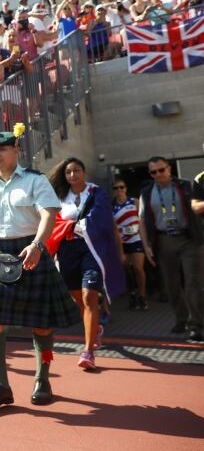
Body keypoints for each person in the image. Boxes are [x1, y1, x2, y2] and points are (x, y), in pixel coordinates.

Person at [0, 127, 79, 410]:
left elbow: (48, 214)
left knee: (41, 323)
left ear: (16, 151)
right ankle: (1, 386)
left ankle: (43, 379)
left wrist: (38, 246)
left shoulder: (34, 181)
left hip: (31, 250)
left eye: (2, 149)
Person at [46, 158, 124, 370]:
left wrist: (76, 225)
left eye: (77, 170)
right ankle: (95, 327)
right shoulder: (59, 197)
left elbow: (102, 217)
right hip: (67, 251)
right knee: (78, 298)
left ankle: (88, 351)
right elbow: (53, 221)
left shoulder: (96, 192)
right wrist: (69, 226)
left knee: (90, 295)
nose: (73, 175)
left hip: (92, 248)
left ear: (84, 171)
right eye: (69, 172)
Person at [138, 157, 204, 343]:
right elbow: (141, 221)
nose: (158, 175)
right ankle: (181, 319)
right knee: (171, 285)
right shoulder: (146, 192)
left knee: (193, 283)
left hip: (189, 239)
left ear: (169, 169)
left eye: (161, 170)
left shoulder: (186, 185)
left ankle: (197, 325)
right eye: (153, 172)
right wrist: (146, 245)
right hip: (163, 240)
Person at [112, 176, 148, 311]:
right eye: (116, 188)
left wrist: (146, 239)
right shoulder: (112, 206)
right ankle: (133, 293)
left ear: (126, 189)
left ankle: (142, 295)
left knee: (138, 268)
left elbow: (143, 220)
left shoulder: (135, 201)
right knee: (127, 270)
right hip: (121, 242)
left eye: (122, 187)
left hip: (136, 238)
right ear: (113, 191)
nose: (119, 190)